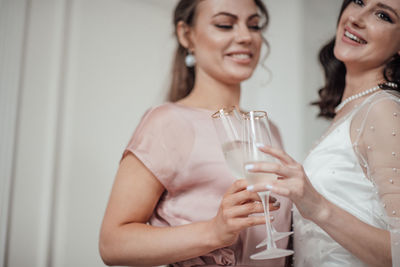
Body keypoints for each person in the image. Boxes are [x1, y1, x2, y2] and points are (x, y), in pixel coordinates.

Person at [99, 0, 292, 266]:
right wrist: (213, 232)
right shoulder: (167, 122)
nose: (245, 36)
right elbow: (112, 244)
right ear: (186, 35)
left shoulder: (268, 130)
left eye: (254, 25)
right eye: (225, 24)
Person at [246, 0, 400, 266]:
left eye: (382, 15)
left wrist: (317, 207)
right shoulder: (352, 109)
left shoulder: (383, 109)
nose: (357, 18)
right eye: (359, 1)